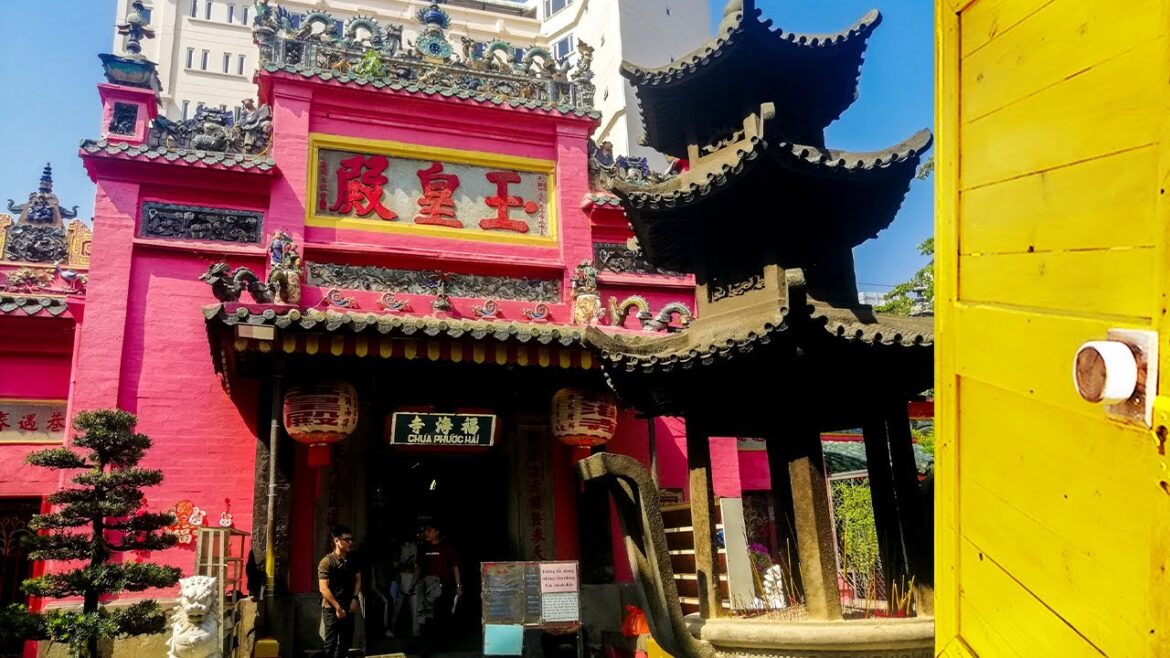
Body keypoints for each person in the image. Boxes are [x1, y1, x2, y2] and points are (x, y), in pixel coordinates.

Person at [411, 520, 461, 657]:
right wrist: (413, 584)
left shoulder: (447, 548)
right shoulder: (423, 549)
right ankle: (427, 647)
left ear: (437, 532)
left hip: (444, 585)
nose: (426, 533)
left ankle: (446, 646)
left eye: (429, 531)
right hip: (427, 587)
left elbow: (454, 566)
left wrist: (458, 585)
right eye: (425, 531)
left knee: (444, 615)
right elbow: (418, 568)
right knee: (427, 617)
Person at [319, 524, 362, 658]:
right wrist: (337, 608)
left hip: (349, 605)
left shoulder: (353, 559)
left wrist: (355, 598)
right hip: (331, 607)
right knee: (330, 643)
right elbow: (323, 588)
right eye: (347, 539)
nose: (350, 542)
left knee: (346, 642)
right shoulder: (327, 561)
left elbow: (358, 579)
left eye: (351, 539)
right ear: (337, 540)